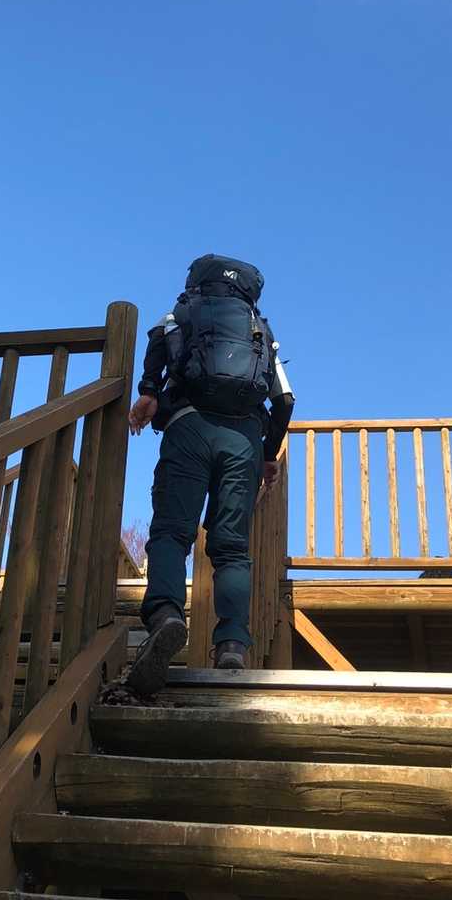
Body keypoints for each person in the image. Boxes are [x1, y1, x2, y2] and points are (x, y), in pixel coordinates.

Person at [125, 254, 295, 697]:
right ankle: (232, 643)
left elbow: (157, 347)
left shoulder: (181, 312)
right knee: (232, 547)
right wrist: (268, 456)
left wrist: (148, 393)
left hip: (189, 427)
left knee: (170, 532)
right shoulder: (260, 329)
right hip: (243, 440)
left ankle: (165, 615)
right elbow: (285, 400)